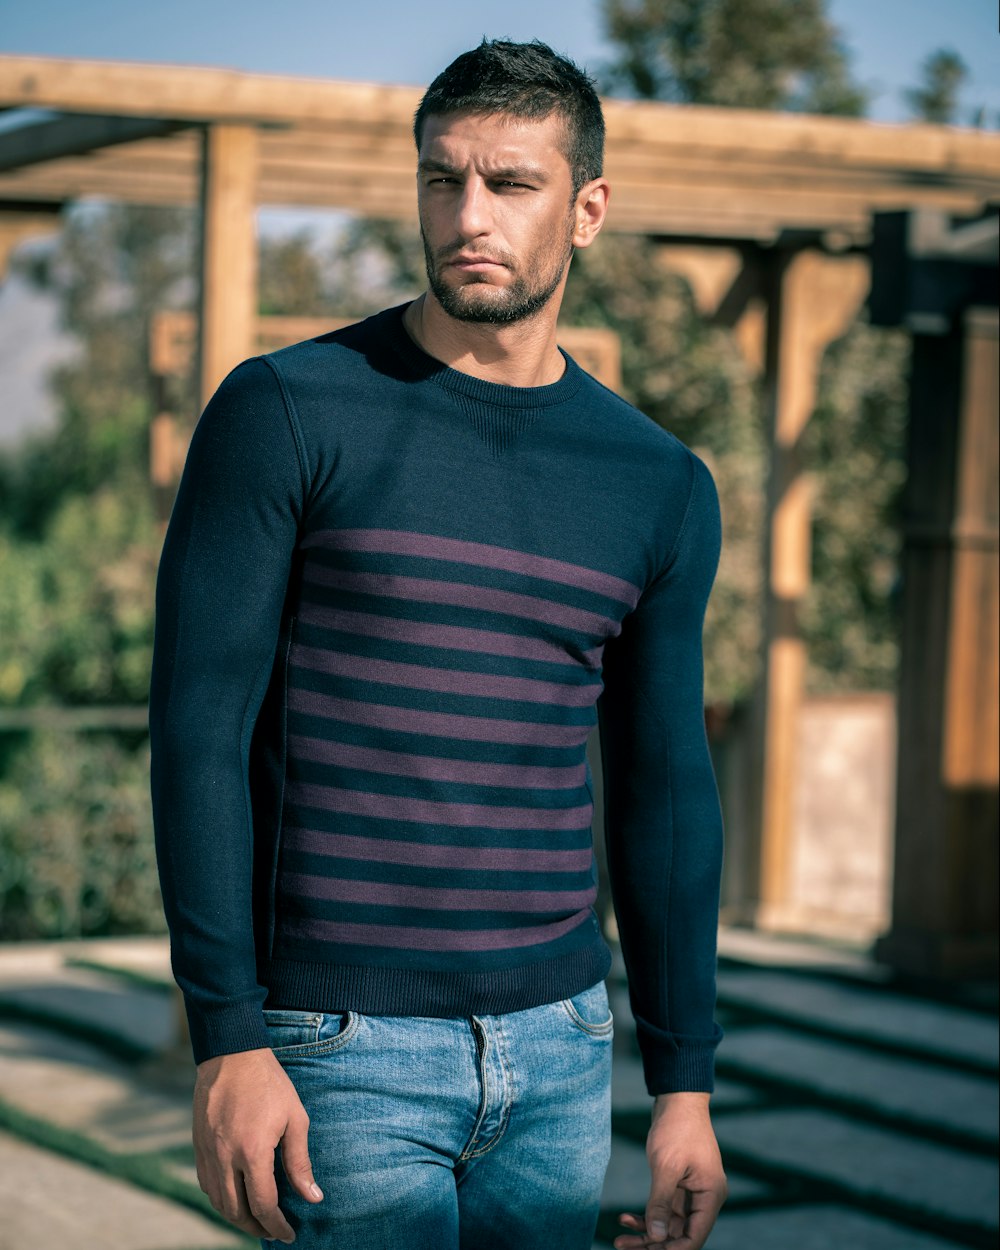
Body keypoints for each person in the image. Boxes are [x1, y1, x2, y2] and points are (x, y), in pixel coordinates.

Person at [150, 37, 727, 1250]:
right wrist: (227, 1036)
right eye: (441, 178)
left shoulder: (657, 482)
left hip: (563, 1052)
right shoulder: (288, 410)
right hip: (338, 1047)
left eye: (510, 183)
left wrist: (682, 1085)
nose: (468, 215)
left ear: (586, 210)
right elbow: (200, 734)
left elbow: (666, 788)